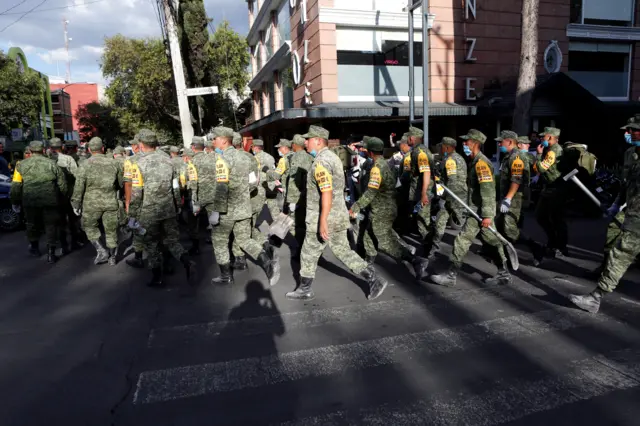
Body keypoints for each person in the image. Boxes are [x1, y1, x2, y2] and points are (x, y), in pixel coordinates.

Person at [286, 125, 388, 301]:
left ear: (318, 141)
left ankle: (304, 289)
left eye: (308, 139)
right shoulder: (333, 158)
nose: (305, 142)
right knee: (343, 251)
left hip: (324, 217)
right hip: (338, 215)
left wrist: (323, 220)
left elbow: (326, 191)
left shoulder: (321, 162)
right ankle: (374, 278)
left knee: (308, 253)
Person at [568, 133, 640, 314]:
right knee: (621, 253)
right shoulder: (632, 153)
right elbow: (627, 184)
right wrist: (618, 204)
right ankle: (596, 297)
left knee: (621, 253)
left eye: (633, 130)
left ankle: (596, 297)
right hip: (634, 214)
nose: (628, 134)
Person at [430, 129, 511, 287]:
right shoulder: (474, 161)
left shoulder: (481, 164)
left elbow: (487, 190)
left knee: (463, 240)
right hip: (476, 210)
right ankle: (504, 273)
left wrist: (487, 215)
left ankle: (451, 275)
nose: (464, 144)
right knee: (492, 241)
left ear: (474, 144)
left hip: (480, 212)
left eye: (466, 142)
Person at [348, 137, 429, 279]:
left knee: (385, 243)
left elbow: (371, 192)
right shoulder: (385, 165)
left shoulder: (376, 168)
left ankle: (416, 260)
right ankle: (367, 264)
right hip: (387, 207)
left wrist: (355, 207)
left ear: (370, 152)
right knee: (368, 236)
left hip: (382, 210)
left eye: (366, 149)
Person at [210, 127, 280, 286]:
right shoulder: (246, 158)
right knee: (244, 239)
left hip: (227, 211)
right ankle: (267, 264)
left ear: (223, 140)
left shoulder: (222, 160)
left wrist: (216, 211)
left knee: (219, 240)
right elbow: (252, 183)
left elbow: (222, 187)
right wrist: (242, 194)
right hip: (244, 207)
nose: (213, 141)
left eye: (215, 139)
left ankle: (225, 276)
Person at [128, 131, 194, 287]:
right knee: (172, 240)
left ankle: (157, 277)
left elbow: (137, 193)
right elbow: (176, 186)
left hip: (149, 212)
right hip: (169, 208)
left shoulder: (138, 164)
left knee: (152, 244)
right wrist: (178, 204)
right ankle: (186, 261)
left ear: (142, 145)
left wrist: (132, 215)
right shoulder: (169, 162)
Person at [10, 141, 67, 263]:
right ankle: (51, 253)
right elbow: (62, 185)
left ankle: (34, 248)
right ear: (43, 150)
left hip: (30, 201)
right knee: (50, 225)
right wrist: (62, 198)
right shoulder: (52, 163)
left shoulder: (21, 165)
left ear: (30, 151)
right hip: (49, 200)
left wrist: (15, 201)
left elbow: (16, 185)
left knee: (31, 224)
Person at [71, 137, 123, 265]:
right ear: (103, 149)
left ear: (89, 150)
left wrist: (75, 203)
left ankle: (101, 250)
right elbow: (120, 183)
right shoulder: (114, 163)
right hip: (110, 201)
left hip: (91, 204)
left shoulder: (84, 165)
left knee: (88, 226)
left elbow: (79, 187)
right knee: (111, 230)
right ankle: (112, 257)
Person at [427, 137, 467, 261]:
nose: (439, 149)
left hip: (454, 197)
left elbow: (452, 182)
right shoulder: (459, 158)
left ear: (447, 147)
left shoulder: (451, 160)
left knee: (467, 226)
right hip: (457, 196)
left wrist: (445, 199)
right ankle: (433, 248)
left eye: (441, 146)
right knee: (441, 220)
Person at [231, 131, 266, 270]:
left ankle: (241, 258)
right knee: (244, 230)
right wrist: (246, 192)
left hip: (233, 202)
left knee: (238, 231)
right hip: (250, 199)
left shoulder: (225, 158)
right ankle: (241, 257)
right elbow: (253, 181)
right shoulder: (250, 157)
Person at [534, 127, 567, 260]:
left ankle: (560, 246)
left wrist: (538, 154)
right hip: (549, 188)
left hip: (556, 189)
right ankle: (553, 242)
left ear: (550, 137)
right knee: (541, 216)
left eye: (544, 137)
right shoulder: (549, 150)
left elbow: (541, 167)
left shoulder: (554, 151)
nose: (542, 139)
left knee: (556, 219)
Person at [49, 137, 81, 252]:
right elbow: (77, 176)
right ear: (62, 147)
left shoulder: (47, 160)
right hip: (70, 194)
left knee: (60, 222)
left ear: (50, 148)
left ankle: (63, 246)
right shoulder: (68, 159)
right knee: (73, 220)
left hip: (55, 195)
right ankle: (74, 243)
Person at [186, 136, 217, 255]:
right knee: (214, 221)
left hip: (198, 197)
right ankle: (217, 245)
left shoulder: (192, 162)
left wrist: (193, 199)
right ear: (204, 147)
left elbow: (192, 181)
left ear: (193, 147)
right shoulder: (213, 158)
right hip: (213, 196)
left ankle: (195, 247)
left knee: (193, 222)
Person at [123, 134, 146, 268]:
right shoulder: (159, 158)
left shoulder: (130, 161)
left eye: (133, 145)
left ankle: (138, 257)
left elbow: (128, 183)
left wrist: (128, 202)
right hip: (155, 200)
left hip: (137, 199)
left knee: (137, 227)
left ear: (137, 146)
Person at [252, 139, 280, 220]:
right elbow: (273, 171)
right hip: (271, 186)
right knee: (274, 209)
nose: (252, 149)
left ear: (255, 147)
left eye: (252, 147)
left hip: (260, 187)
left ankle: (258, 230)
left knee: (256, 210)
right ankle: (280, 230)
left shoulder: (254, 158)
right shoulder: (270, 157)